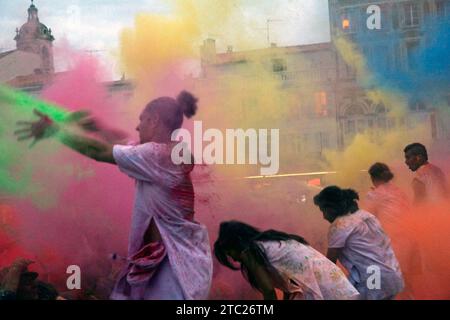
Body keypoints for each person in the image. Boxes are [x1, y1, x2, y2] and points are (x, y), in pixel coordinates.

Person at [15, 91, 213, 300]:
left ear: (154, 121)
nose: (137, 127)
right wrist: (98, 127)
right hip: (167, 265)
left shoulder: (157, 155)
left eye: (141, 120)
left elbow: (99, 151)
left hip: (174, 271)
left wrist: (56, 131)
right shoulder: (162, 153)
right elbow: (124, 143)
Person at [214, 220, 360, 300]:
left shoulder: (250, 251)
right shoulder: (271, 242)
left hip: (324, 290)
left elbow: (269, 292)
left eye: (229, 252)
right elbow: (290, 286)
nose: (232, 257)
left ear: (237, 243)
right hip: (337, 285)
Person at [314, 186, 404, 300]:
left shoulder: (339, 225)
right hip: (392, 274)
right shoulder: (366, 215)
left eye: (323, 210)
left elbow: (329, 264)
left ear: (331, 208)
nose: (324, 216)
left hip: (373, 278)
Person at [365, 163, 419, 299]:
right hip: (409, 241)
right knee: (405, 282)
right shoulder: (399, 191)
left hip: (391, 243)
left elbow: (366, 220)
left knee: (383, 283)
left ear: (372, 178)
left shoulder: (375, 194)